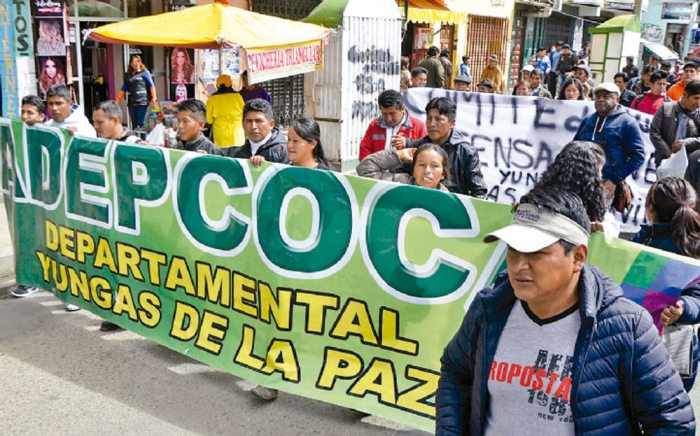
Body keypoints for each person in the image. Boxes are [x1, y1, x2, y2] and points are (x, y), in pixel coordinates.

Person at [436, 186, 695, 435]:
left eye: (536, 252)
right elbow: (455, 373)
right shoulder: (489, 308)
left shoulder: (626, 326)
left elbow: (673, 423)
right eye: (513, 250)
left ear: (578, 257)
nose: (519, 265)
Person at [632, 177, 700, 391]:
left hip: (647, 341)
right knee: (671, 403)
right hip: (676, 348)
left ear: (650, 209)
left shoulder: (646, 241)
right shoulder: (644, 238)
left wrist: (683, 307)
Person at [573, 82, 645, 198]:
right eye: (598, 96)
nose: (601, 99)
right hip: (581, 183)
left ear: (617, 99)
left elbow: (638, 156)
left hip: (607, 186)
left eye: (606, 96)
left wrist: (614, 180)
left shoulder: (627, 123)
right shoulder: (588, 120)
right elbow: (574, 147)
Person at [535, 141, 619, 237]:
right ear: (590, 175)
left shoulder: (539, 196)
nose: (601, 176)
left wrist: (603, 228)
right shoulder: (589, 203)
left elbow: (611, 226)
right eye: (599, 171)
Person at [410, 97, 487, 197]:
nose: (432, 124)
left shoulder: (466, 152)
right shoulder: (417, 147)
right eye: (429, 119)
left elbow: (479, 192)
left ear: (452, 123)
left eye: (438, 119)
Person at [10, 96, 47, 298]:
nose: (24, 116)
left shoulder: (51, 134)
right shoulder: (16, 132)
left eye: (30, 112)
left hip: (48, 200)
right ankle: (29, 280)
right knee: (28, 237)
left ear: (41, 116)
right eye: (22, 112)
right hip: (26, 197)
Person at [358, 90, 427, 160]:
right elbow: (364, 149)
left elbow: (426, 151)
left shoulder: (419, 127)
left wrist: (408, 143)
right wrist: (371, 165)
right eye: (384, 113)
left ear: (402, 108)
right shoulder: (374, 125)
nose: (388, 119)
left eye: (392, 113)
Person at [356, 143, 449, 191]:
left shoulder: (450, 202)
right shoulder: (399, 183)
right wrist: (399, 155)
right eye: (421, 165)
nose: (427, 170)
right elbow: (365, 170)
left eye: (435, 166)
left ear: (443, 174)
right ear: (413, 170)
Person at [650, 80, 700, 167]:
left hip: (690, 165)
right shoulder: (666, 108)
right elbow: (654, 132)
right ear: (685, 95)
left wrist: (686, 143)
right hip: (664, 162)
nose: (698, 103)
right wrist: (668, 152)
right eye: (696, 98)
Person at [226, 98, 287, 163]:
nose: (253, 126)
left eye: (258, 121)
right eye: (249, 121)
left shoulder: (284, 152)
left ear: (271, 124)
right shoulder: (235, 154)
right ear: (242, 124)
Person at [116, 54, 157, 129]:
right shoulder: (128, 75)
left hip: (142, 102)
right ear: (131, 64)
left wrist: (153, 98)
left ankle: (143, 136)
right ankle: (136, 136)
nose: (136, 63)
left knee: (141, 124)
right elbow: (124, 88)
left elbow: (151, 85)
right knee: (134, 124)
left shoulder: (145, 72)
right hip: (131, 103)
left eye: (138, 61)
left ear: (140, 62)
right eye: (134, 62)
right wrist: (117, 101)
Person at [206, 74, 245, 148]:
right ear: (230, 84)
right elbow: (244, 113)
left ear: (217, 85)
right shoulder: (238, 96)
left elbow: (209, 120)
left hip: (221, 134)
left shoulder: (212, 99)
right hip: (237, 132)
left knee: (222, 153)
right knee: (238, 152)